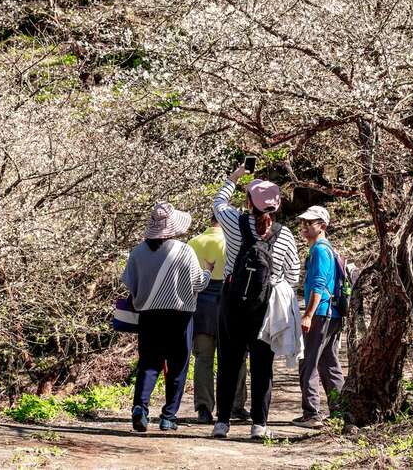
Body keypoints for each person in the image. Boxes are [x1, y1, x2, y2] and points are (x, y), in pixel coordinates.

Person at [212, 162, 301, 440]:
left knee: (229, 362)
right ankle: (259, 424)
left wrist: (236, 176)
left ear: (249, 202)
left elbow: (218, 201)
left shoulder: (233, 223)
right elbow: (294, 275)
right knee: (262, 365)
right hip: (265, 307)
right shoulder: (285, 235)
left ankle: (222, 423)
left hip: (231, 301)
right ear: (276, 206)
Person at [121, 202, 211, 432]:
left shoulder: (137, 252)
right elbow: (197, 284)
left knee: (149, 364)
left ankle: (139, 408)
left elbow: (130, 285)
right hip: (180, 317)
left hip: (149, 316)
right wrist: (208, 271)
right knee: (178, 365)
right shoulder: (184, 251)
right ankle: (168, 416)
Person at [187, 215, 249, 424]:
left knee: (203, 358)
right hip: (229, 301)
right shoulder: (234, 241)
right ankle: (236, 405)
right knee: (234, 356)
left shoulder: (193, 243)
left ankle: (204, 407)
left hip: (201, 303)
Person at [293, 205, 345, 429]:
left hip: (322, 313)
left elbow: (319, 284)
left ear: (322, 226)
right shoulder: (326, 249)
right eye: (303, 222)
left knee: (309, 362)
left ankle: (312, 414)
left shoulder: (320, 250)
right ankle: (340, 411)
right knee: (329, 363)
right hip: (332, 313)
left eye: (309, 223)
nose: (304, 227)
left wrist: (308, 315)